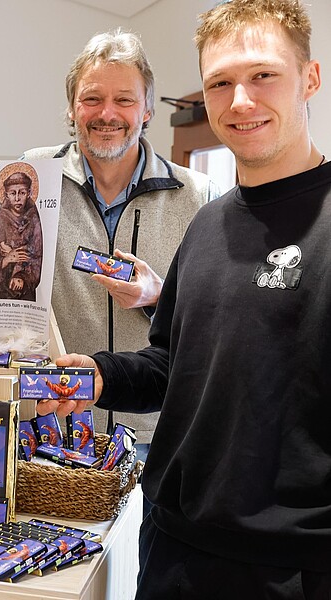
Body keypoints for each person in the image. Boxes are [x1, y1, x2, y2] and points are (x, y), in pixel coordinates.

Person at [41, 1, 331, 597]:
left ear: (309, 78)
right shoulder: (209, 224)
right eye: (219, 83)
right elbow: (175, 364)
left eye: (263, 75)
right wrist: (97, 376)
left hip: (293, 566)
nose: (240, 101)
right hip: (176, 550)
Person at [20, 29, 218, 448]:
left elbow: (217, 323)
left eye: (124, 100)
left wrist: (158, 295)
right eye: (92, 98)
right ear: (73, 109)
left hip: (156, 432)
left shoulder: (198, 195)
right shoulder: (32, 177)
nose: (106, 113)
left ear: (146, 109)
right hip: (52, 422)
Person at [0, 166, 43, 301]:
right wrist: (7, 259)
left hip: (26, 297)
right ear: (6, 195)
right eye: (13, 193)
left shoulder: (34, 219)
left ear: (29, 193)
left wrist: (21, 276)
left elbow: (37, 258)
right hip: (2, 297)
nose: (17, 198)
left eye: (22, 193)